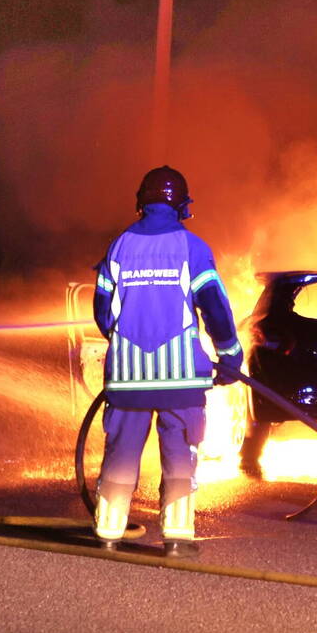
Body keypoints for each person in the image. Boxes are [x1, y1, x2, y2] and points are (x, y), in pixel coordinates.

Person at [92, 165, 243, 558]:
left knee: (121, 452)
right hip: (181, 378)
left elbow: (103, 311)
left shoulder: (119, 246)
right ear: (181, 205)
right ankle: (177, 537)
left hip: (127, 378)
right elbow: (214, 307)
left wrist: (123, 341)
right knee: (179, 455)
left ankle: (109, 531)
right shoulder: (192, 247)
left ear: (142, 202)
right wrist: (229, 355)